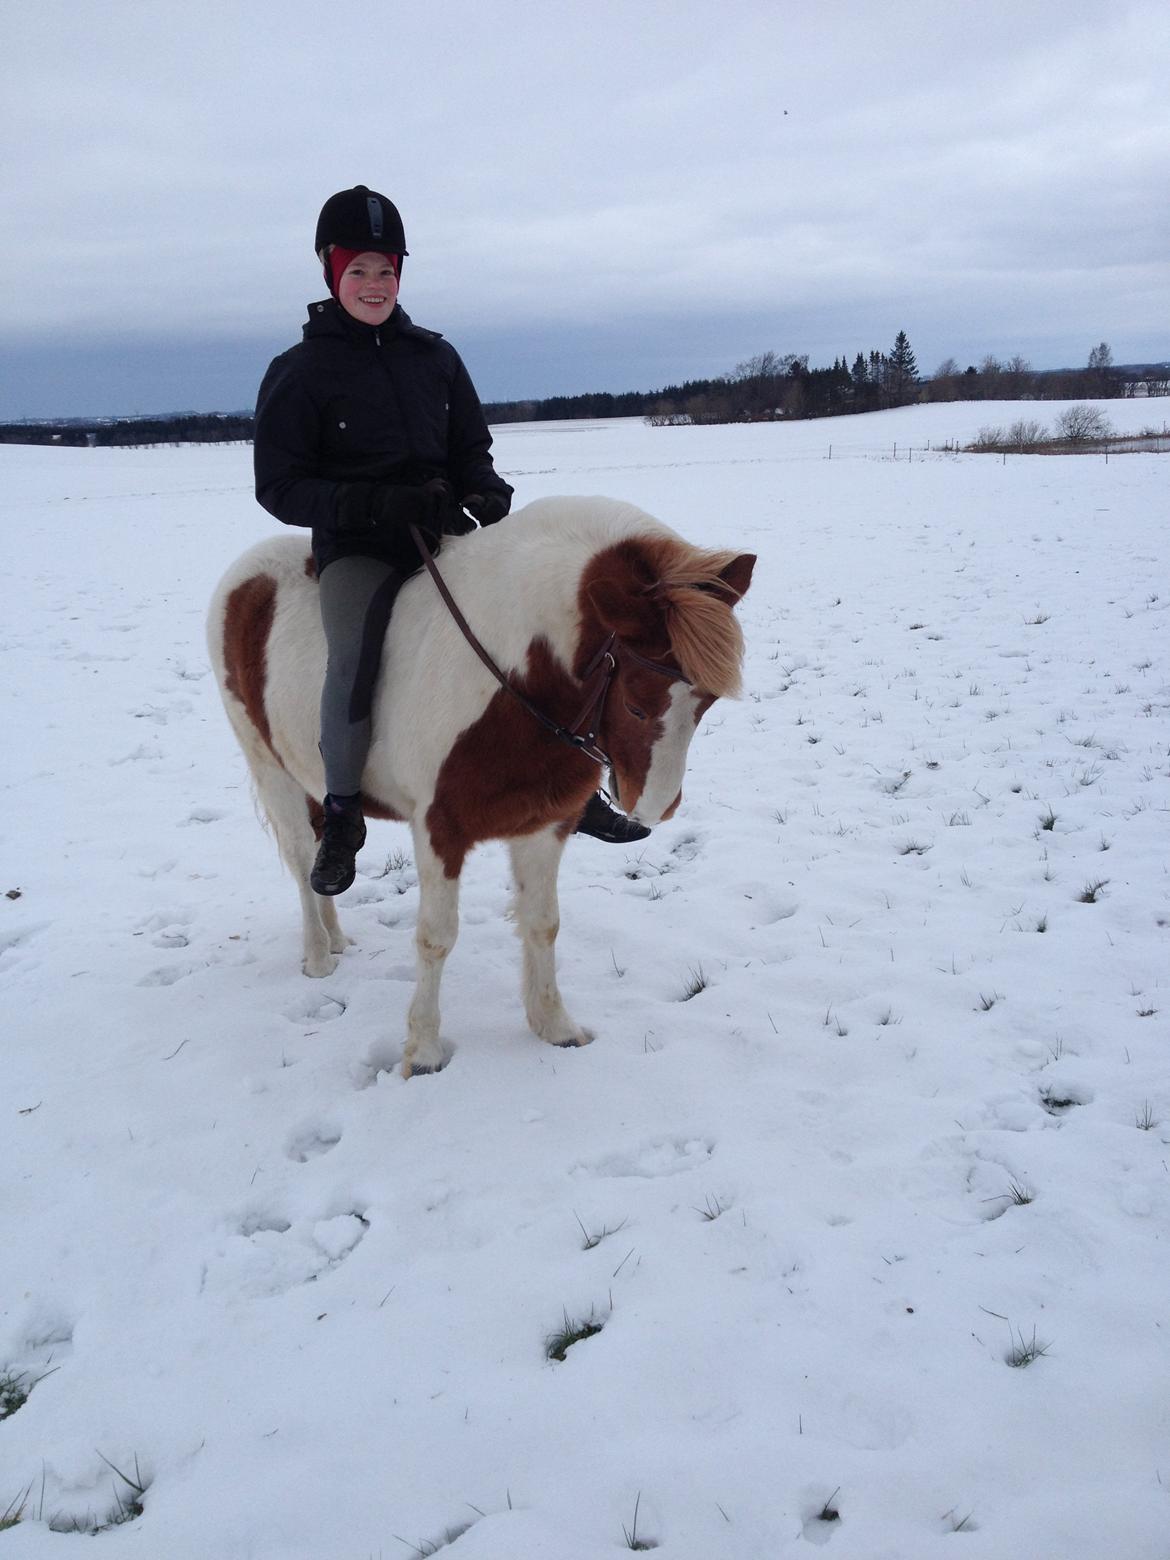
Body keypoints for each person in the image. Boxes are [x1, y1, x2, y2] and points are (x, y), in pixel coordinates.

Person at [253, 184, 650, 896]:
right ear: (331, 272)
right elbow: (279, 486)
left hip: (442, 535)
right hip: (359, 549)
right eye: (358, 271)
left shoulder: (434, 358)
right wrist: (373, 502)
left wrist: (485, 491)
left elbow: (471, 449)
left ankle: (571, 784)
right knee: (353, 657)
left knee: (535, 636)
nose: (374, 285)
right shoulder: (300, 371)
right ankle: (341, 811)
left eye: (386, 270)